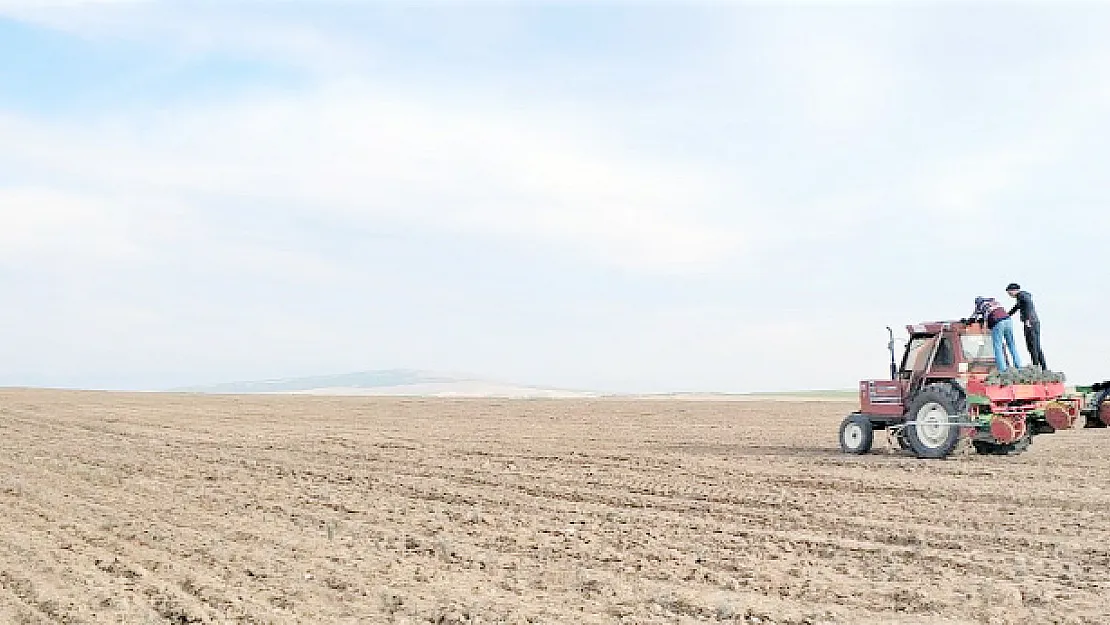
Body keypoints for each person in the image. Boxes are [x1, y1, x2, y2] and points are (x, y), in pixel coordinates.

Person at [969, 296, 1022, 372]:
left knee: (998, 347)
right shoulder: (994, 302)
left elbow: (974, 317)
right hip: (1008, 320)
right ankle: (1019, 367)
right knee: (1011, 345)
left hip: (998, 322)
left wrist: (969, 322)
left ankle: (1002, 370)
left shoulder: (981, 305)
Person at [1007, 283, 1046, 370]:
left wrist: (1027, 320)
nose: (1009, 295)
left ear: (1014, 290)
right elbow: (1016, 308)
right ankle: (1043, 367)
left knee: (1032, 346)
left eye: (1009, 293)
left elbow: (1028, 306)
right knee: (1036, 346)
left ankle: (1036, 366)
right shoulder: (1023, 296)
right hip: (1035, 322)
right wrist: (1007, 315)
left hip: (1030, 323)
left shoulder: (1021, 296)